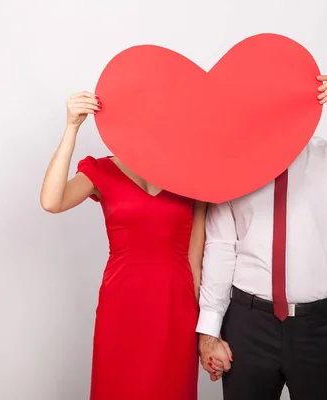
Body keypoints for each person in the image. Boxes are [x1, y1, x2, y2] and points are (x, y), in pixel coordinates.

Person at [196, 75, 327, 400]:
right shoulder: (229, 164)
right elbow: (220, 248)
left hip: (317, 328)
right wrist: (208, 331)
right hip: (248, 325)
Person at [40, 91, 206, 400]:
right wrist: (71, 128)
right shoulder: (101, 170)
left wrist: (205, 327)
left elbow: (196, 259)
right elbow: (51, 201)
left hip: (176, 306)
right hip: (122, 304)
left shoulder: (191, 178)